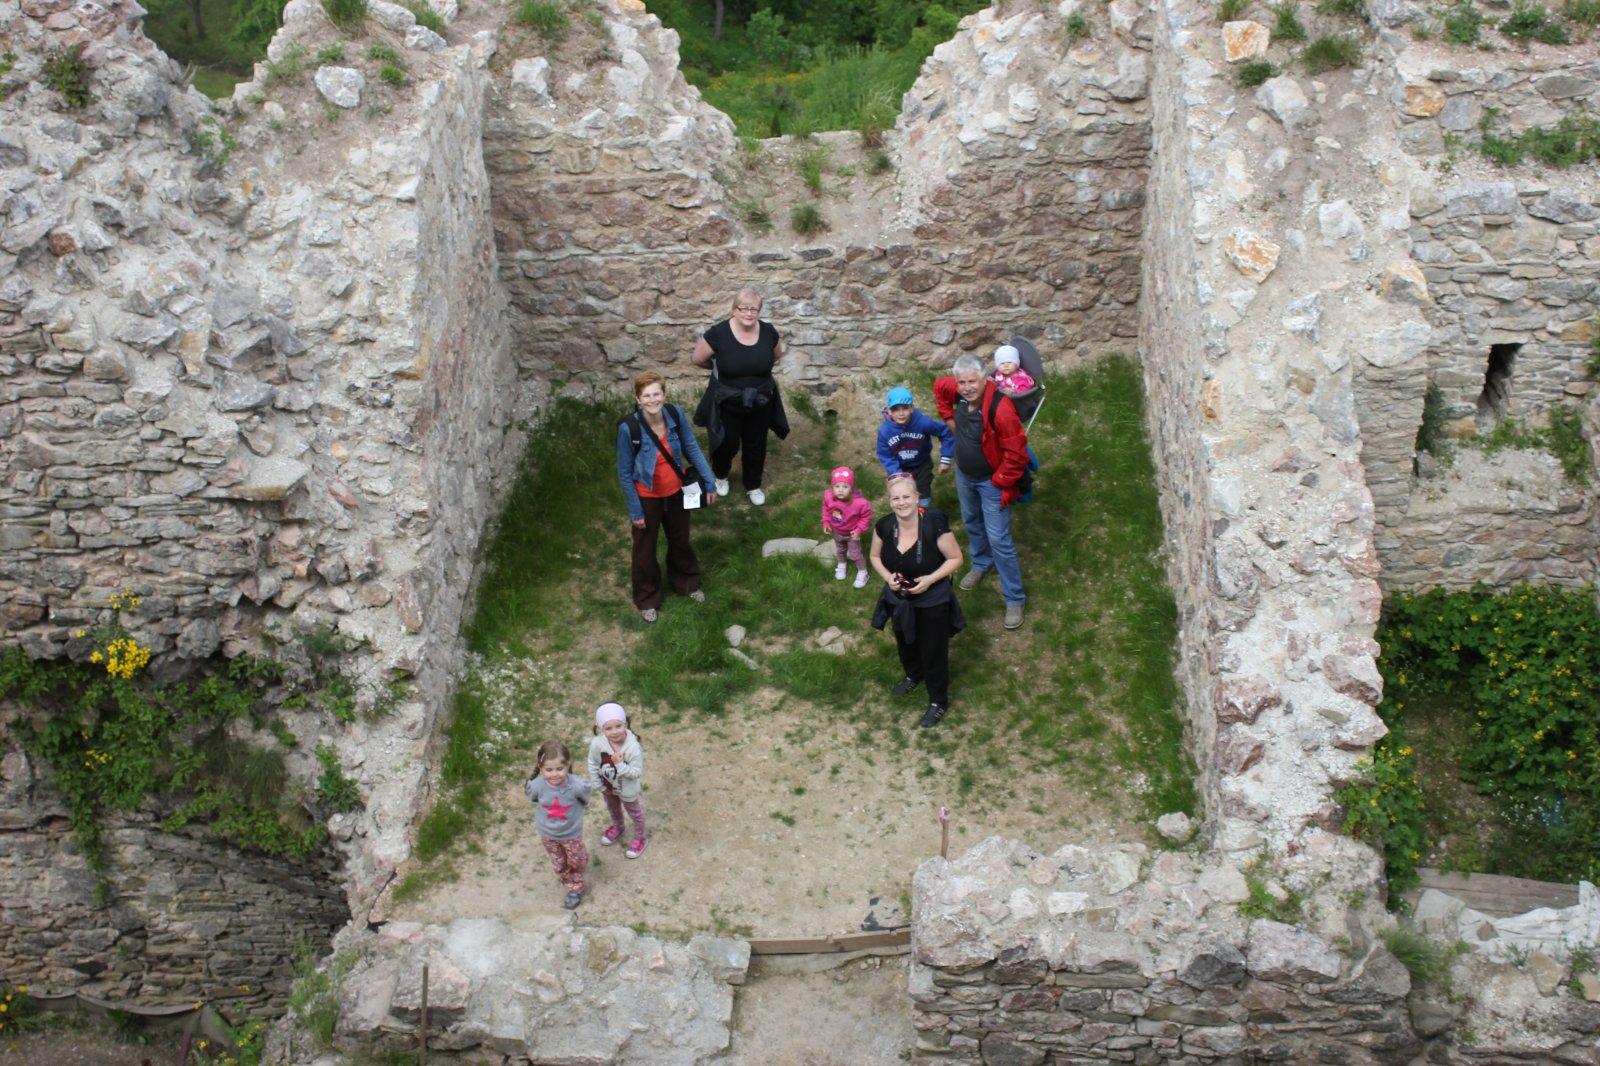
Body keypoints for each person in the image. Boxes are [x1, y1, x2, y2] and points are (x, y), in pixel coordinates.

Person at [934, 354, 1029, 631]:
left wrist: (999, 481)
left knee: (999, 539)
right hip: (965, 475)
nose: (966, 388)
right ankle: (981, 562)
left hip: (991, 482)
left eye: (972, 382)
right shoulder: (958, 391)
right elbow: (939, 387)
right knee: (972, 522)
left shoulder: (1001, 409)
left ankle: (1014, 598)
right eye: (961, 382)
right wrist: (949, 418)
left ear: (985, 379)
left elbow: (1017, 454)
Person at [616, 370, 718, 624]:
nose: (652, 400)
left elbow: (691, 446)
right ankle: (647, 598)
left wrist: (709, 482)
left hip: (676, 493)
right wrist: (635, 511)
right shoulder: (629, 428)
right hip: (646, 496)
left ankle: (687, 583)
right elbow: (625, 473)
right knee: (645, 550)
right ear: (638, 399)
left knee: (680, 540)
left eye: (657, 394)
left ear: (664, 394)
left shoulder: (675, 414)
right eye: (646, 396)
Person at [869, 474, 965, 728]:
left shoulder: (934, 524)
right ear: (889, 501)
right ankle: (914, 674)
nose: (901, 502)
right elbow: (875, 557)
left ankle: (938, 701)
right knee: (904, 640)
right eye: (896, 498)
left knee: (933, 648)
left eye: (906, 496)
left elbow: (956, 559)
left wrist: (930, 579)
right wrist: (888, 577)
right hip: (899, 597)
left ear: (917, 497)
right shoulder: (885, 526)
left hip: (932, 598)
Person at [691, 288, 790, 506]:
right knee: (726, 443)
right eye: (743, 308)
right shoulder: (718, 333)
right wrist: (724, 370)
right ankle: (720, 475)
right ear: (734, 309)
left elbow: (776, 355)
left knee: (756, 443)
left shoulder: (768, 331)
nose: (749, 313)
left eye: (754, 309)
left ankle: (753, 485)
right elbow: (698, 359)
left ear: (759, 311)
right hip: (727, 400)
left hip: (760, 400)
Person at [524, 740, 594, 910]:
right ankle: (572, 885)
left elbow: (585, 799)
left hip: (571, 833)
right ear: (541, 768)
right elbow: (533, 798)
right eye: (549, 770)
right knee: (559, 862)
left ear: (568, 765)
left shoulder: (577, 785)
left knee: (578, 860)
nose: (554, 774)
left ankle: (575, 879)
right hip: (548, 834)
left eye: (559, 769)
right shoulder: (537, 785)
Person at [874, 385, 955, 508]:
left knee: (923, 498)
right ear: (889, 411)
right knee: (903, 497)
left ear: (912, 408)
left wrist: (946, 458)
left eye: (905, 408)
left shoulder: (922, 422)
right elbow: (885, 455)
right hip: (900, 467)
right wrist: (897, 474)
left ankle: (923, 515)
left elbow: (945, 432)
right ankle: (907, 516)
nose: (901, 413)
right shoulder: (885, 431)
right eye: (896, 409)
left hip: (922, 465)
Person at [587, 702, 647, 859]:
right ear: (600, 727)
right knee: (613, 808)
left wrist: (620, 764)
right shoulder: (598, 743)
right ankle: (619, 827)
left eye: (618, 726)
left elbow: (635, 772)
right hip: (608, 787)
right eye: (608, 728)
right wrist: (599, 785)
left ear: (625, 723)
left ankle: (640, 838)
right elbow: (593, 763)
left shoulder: (633, 747)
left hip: (627, 790)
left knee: (635, 813)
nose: (614, 732)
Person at [821, 465, 873, 589]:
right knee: (840, 550)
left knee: (855, 554)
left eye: (845, 486)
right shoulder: (829, 497)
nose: (840, 490)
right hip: (837, 532)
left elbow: (866, 517)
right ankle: (842, 564)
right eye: (837, 486)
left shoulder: (860, 503)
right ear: (832, 487)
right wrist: (826, 522)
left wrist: (859, 529)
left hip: (852, 534)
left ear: (851, 488)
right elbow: (826, 510)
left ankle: (863, 572)